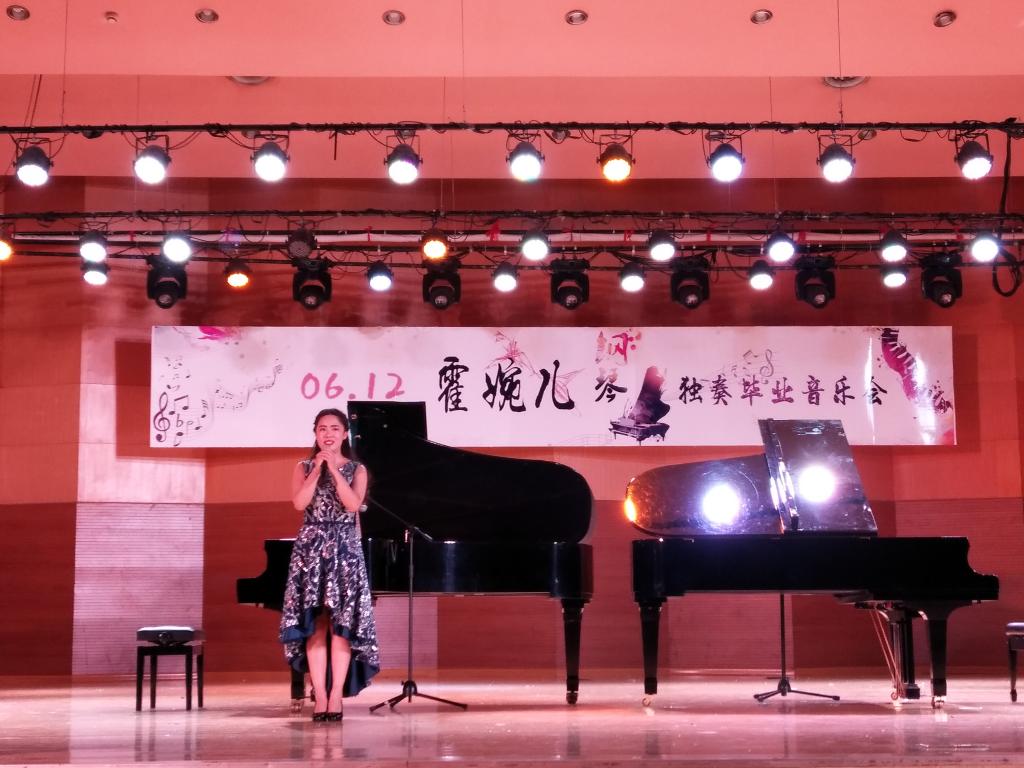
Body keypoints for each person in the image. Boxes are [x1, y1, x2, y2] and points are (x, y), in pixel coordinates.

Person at [279, 408, 380, 721]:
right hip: (310, 550)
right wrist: (316, 472)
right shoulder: (303, 466)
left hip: (344, 550)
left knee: (341, 626)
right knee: (316, 625)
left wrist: (335, 471)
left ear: (345, 434)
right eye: (322, 428)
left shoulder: (357, 469)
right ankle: (320, 696)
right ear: (315, 433)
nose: (328, 434)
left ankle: (336, 695)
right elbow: (299, 503)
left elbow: (352, 505)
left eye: (335, 428)